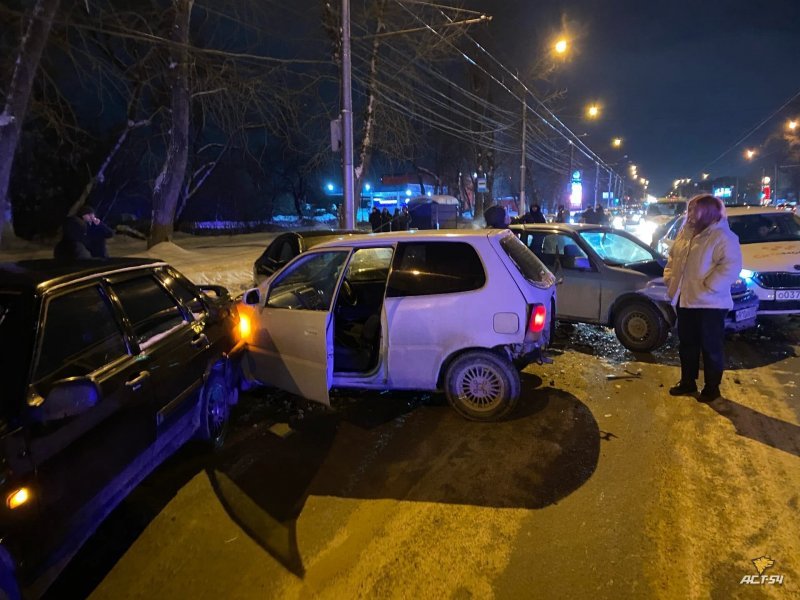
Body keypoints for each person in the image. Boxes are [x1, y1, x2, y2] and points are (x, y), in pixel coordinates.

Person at [664, 195, 742, 401]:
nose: (689, 214)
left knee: (711, 347)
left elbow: (731, 266)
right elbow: (673, 257)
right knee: (687, 344)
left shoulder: (723, 237)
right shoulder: (685, 233)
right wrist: (669, 277)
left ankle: (711, 388)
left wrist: (710, 286)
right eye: (689, 210)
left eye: (694, 210)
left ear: (707, 212)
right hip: (685, 300)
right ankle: (687, 382)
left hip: (710, 303)